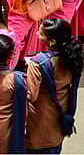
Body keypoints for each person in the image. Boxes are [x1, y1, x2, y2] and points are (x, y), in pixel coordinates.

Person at [25, 18, 83, 152]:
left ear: (51, 41)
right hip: (59, 118)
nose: (37, 34)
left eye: (40, 33)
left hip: (38, 122)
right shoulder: (73, 57)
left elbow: (31, 95)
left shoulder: (37, 63)